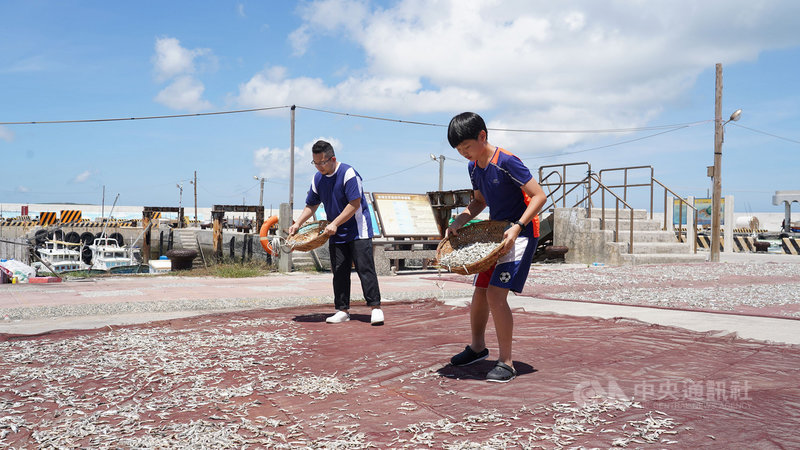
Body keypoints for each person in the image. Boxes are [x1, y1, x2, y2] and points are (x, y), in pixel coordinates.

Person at [445, 112, 546, 382]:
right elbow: (479, 202)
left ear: (482, 136)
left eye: (467, 146)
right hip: (495, 236)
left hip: (521, 234)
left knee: (495, 296)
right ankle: (478, 348)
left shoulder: (507, 161)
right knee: (479, 292)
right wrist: (460, 221)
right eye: (459, 150)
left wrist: (518, 226)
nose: (464, 153)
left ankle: (507, 362)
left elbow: (539, 195)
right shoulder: (474, 167)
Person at [289, 140, 384, 326]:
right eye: (315, 163)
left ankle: (375, 308)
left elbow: (354, 203)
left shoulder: (348, 173)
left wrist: (335, 223)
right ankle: (342, 310)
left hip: (358, 230)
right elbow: (312, 204)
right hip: (335, 232)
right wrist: (298, 223)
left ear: (333, 159)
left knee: (365, 269)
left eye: (322, 162)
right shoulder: (317, 179)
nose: (319, 167)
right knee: (339, 271)